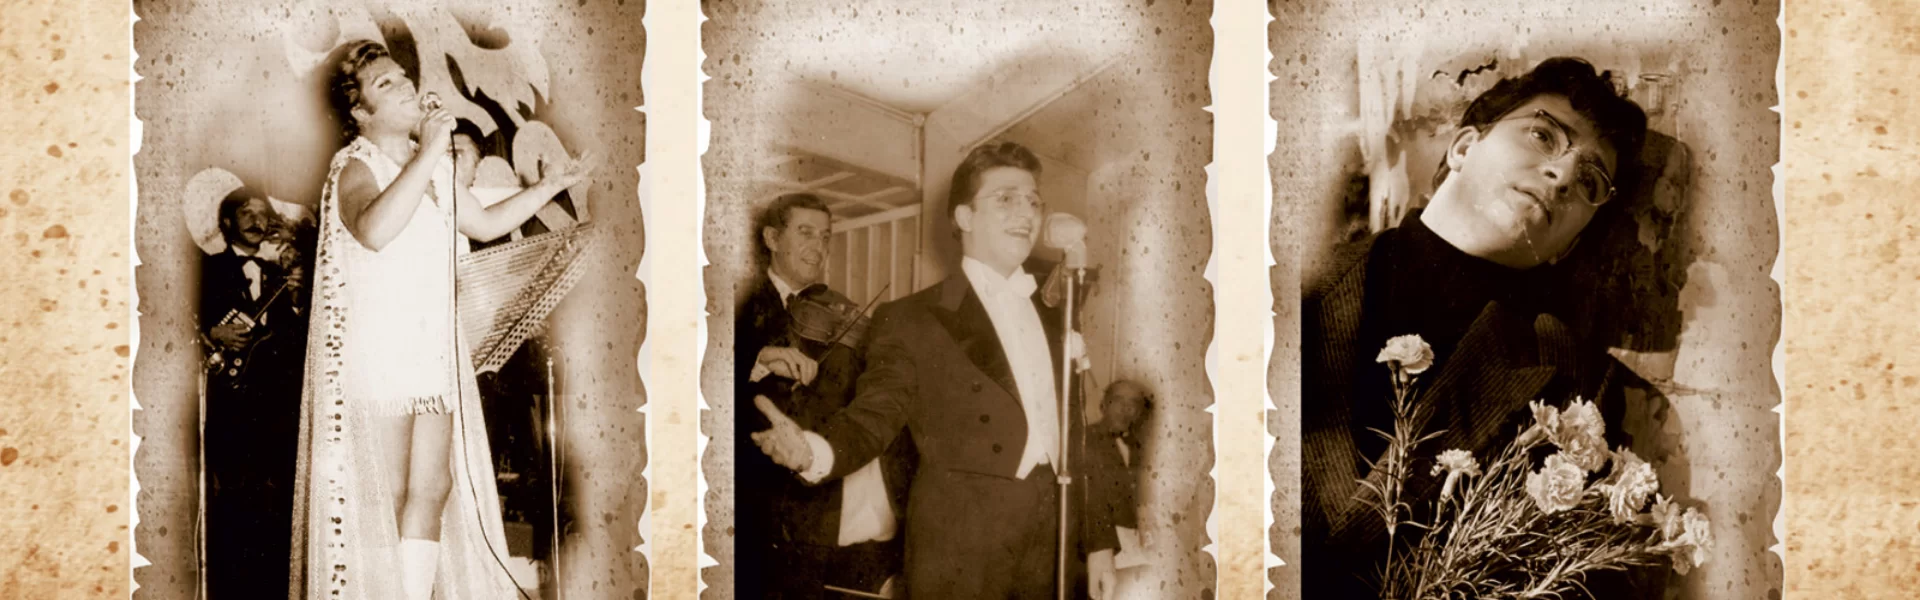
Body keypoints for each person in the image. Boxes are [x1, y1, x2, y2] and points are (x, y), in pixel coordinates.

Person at [1300, 57, 1659, 598]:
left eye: (1589, 179)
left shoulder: (1577, 387)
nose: (1563, 175)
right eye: (1543, 135)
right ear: (1464, 147)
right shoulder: (1285, 291)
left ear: (1572, 244)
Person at [289, 40, 592, 599]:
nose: (406, 85)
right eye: (385, 84)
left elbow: (481, 224)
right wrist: (429, 150)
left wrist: (549, 187)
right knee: (385, 495)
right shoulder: (355, 165)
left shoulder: (428, 164)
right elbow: (374, 230)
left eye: (403, 76)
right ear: (359, 111)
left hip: (428, 348)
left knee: (433, 486)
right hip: (380, 348)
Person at [751, 142, 1120, 599]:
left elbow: (1081, 433)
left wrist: (1100, 543)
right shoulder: (911, 318)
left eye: (1032, 201)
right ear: (964, 217)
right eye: (1006, 198)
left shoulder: (1056, 316)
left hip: (1051, 543)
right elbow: (872, 418)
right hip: (960, 546)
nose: (1025, 212)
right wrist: (814, 452)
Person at [734, 193, 913, 598]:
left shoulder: (837, 310)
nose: (819, 246)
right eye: (806, 233)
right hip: (761, 501)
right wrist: (758, 358)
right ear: (772, 239)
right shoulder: (734, 304)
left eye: (826, 236)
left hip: (825, 498)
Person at [199, 188, 310, 597]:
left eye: (262, 213)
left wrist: (297, 299)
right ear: (227, 222)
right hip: (229, 406)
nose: (256, 219)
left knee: (277, 505)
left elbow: (295, 339)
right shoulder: (205, 268)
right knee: (231, 504)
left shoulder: (281, 275)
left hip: (275, 410)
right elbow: (179, 319)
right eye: (246, 212)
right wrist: (214, 333)